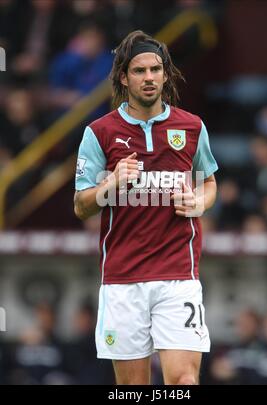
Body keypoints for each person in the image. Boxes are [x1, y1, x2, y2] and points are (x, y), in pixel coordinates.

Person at [74, 30, 218, 385]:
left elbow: (210, 182)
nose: (149, 78)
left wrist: (198, 201)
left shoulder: (192, 126)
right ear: (123, 77)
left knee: (184, 382)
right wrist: (111, 184)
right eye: (139, 71)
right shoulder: (100, 132)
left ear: (165, 74)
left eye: (155, 69)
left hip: (178, 275)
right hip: (123, 280)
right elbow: (81, 205)